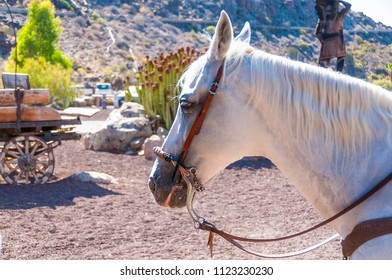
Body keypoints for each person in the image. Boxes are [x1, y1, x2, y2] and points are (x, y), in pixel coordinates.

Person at [315, 0, 351, 72]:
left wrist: (323, 41)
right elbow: (348, 6)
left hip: (327, 46)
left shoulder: (322, 19)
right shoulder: (338, 17)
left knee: (321, 70)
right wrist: (340, 1)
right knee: (339, 65)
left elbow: (317, 33)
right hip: (338, 45)